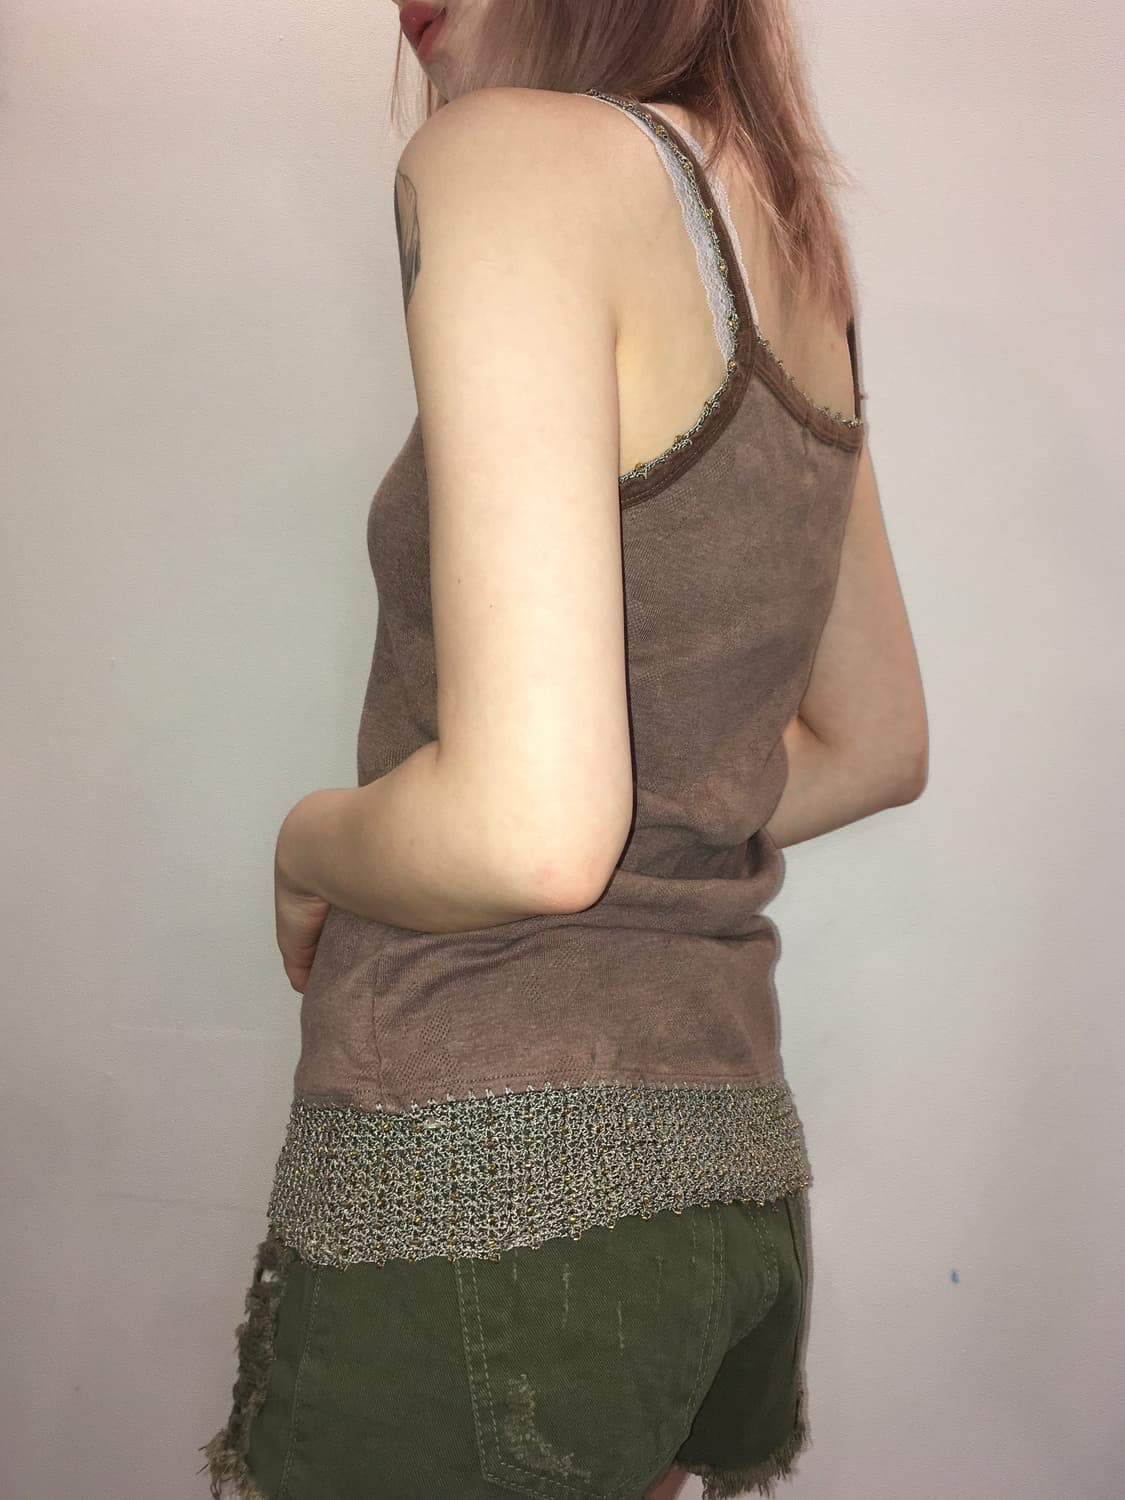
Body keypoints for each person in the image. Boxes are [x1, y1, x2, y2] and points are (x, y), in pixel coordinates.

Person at [201, 3, 928, 1497]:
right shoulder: (793, 250)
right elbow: (876, 746)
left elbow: (530, 835)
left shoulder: (507, 160)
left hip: (476, 1190)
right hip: (723, 1175)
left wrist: (305, 844)